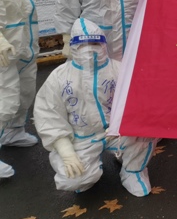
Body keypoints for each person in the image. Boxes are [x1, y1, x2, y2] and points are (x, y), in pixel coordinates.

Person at [34, 18, 158, 196]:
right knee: (75, 180)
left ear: (104, 45)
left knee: (146, 133)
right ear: (73, 46)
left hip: (117, 131)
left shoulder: (120, 70)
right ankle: (87, 170)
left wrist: (133, 123)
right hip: (82, 136)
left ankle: (133, 170)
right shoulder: (59, 77)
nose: (90, 49)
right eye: (83, 44)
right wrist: (66, 151)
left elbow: (141, 101)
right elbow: (48, 115)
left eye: (95, 43)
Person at [0, 0, 39, 178]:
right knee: (5, 98)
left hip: (24, 44)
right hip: (5, 49)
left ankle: (13, 132)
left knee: (25, 91)